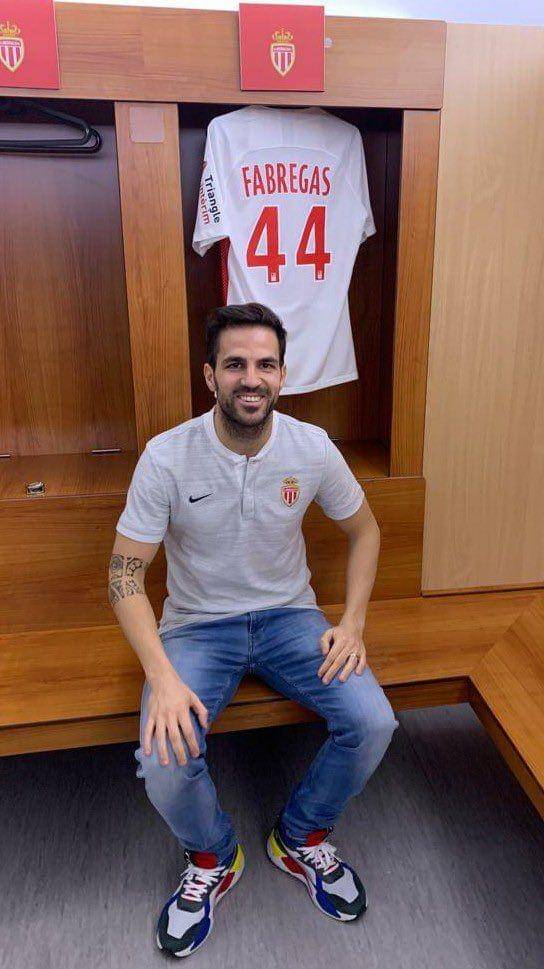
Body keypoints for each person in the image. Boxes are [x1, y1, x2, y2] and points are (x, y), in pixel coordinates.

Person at [108, 302, 399, 958]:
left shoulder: (310, 447)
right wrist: (162, 675)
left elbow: (366, 531)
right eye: (235, 364)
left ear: (282, 375)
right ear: (209, 375)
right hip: (196, 627)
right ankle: (214, 855)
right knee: (162, 759)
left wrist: (353, 622)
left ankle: (300, 838)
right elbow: (125, 576)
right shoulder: (167, 457)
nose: (251, 378)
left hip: (290, 618)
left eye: (265, 364)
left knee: (373, 721)